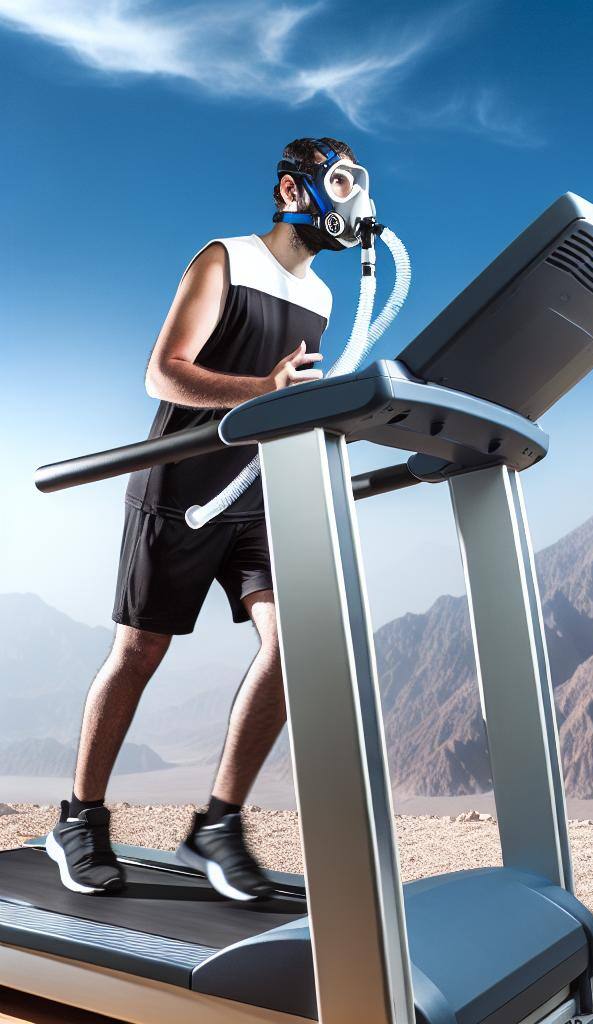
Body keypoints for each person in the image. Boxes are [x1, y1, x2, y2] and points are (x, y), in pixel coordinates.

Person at [45, 137, 362, 900]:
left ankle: (216, 826)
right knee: (141, 651)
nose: (354, 202)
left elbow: (290, 397)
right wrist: (263, 391)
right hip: (182, 486)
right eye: (342, 183)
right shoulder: (224, 258)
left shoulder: (320, 297)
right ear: (295, 189)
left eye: (360, 187)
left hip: (258, 491)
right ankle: (79, 820)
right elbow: (164, 371)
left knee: (298, 646)